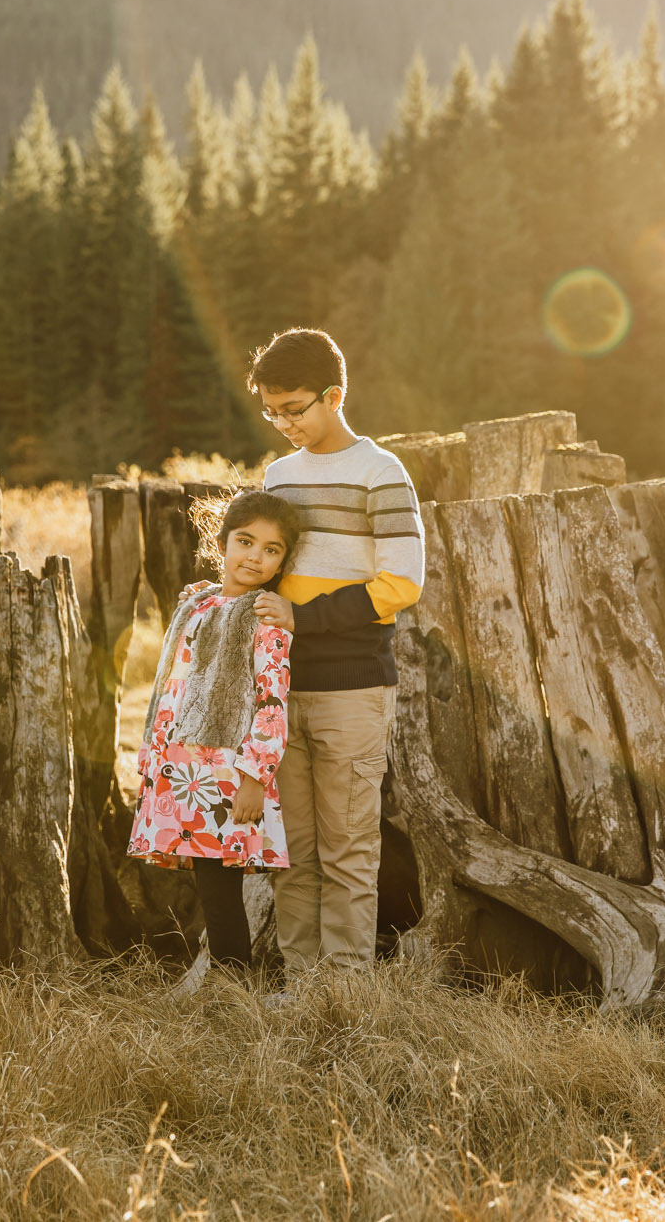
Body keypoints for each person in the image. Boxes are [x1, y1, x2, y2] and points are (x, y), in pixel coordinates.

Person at [247, 328, 423, 974]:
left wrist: (303, 617)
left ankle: (345, 991)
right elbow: (264, 568)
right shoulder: (279, 477)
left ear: (334, 394)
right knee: (292, 849)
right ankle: (300, 982)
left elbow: (400, 583)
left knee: (349, 847)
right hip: (279, 691)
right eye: (272, 411)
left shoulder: (381, 472)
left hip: (353, 688)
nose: (284, 423)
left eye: (295, 408)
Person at [125, 489, 303, 972]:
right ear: (221, 541)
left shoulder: (266, 619)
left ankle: (234, 991)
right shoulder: (197, 604)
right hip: (181, 766)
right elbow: (173, 683)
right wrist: (153, 757)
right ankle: (224, 985)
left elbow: (271, 703)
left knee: (221, 892)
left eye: (272, 550)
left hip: (224, 772)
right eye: (246, 542)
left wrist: (254, 778)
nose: (256, 557)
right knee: (207, 884)